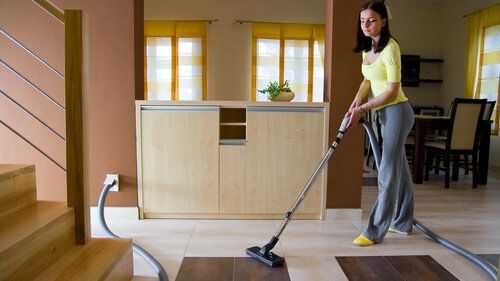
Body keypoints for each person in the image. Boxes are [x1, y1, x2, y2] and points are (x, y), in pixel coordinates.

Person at [345, 0, 415, 247]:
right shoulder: (368, 49)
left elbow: (393, 92)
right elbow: (368, 80)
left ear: (383, 21)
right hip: (383, 114)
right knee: (400, 169)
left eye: (372, 20)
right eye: (363, 20)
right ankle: (404, 222)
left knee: (386, 170)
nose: (366, 25)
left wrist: (363, 108)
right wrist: (356, 102)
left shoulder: (390, 49)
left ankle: (374, 231)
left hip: (397, 111)